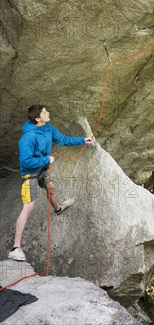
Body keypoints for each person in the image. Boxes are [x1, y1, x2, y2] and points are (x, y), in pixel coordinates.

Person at [8, 105, 95, 262]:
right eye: (44, 112)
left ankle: (58, 209)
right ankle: (16, 248)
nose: (48, 113)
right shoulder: (28, 137)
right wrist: (46, 159)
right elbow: (26, 161)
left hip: (42, 171)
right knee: (28, 206)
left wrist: (83, 140)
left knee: (51, 188)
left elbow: (62, 139)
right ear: (37, 118)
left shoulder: (48, 127)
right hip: (30, 174)